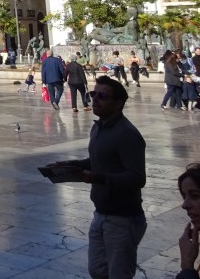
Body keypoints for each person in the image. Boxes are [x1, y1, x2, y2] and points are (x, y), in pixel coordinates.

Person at [49, 76, 146, 279]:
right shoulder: (99, 127)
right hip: (100, 213)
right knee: (98, 270)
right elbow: (98, 160)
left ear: (118, 103)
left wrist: (96, 177)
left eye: (102, 96)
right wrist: (70, 166)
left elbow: (137, 178)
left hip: (123, 218)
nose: (95, 99)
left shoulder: (126, 134)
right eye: (93, 94)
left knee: (119, 274)